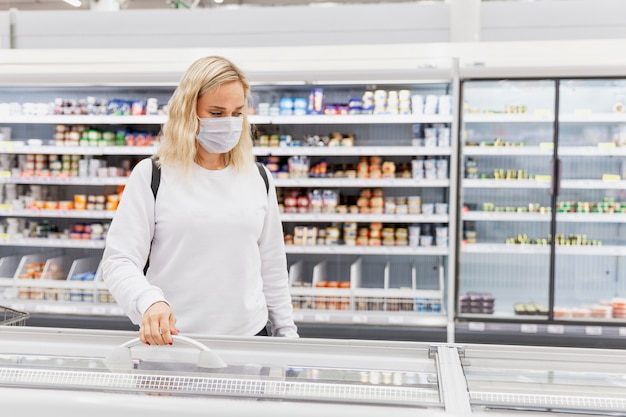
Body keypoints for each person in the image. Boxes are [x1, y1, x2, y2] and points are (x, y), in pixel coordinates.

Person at [100, 55, 299, 345]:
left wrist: (287, 334)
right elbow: (119, 260)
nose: (229, 123)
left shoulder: (258, 177)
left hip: (250, 341)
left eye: (237, 113)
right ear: (187, 112)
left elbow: (273, 266)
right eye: (216, 113)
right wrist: (149, 301)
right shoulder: (153, 175)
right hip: (174, 342)